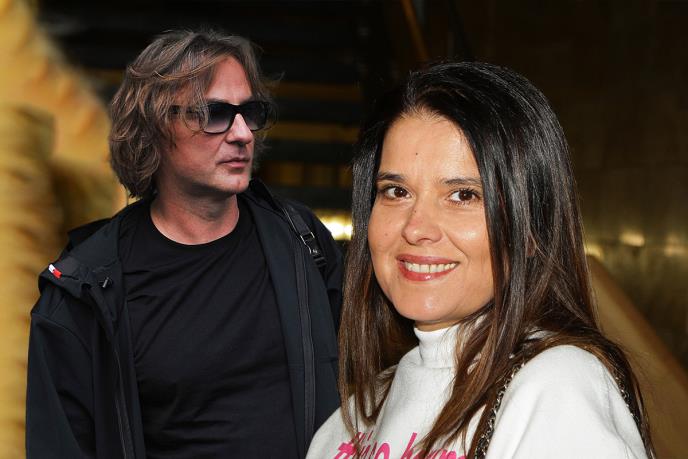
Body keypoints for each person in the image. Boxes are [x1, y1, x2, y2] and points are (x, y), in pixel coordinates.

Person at [306, 62, 654, 459]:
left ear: (531, 229)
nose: (416, 228)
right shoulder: (357, 414)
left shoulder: (557, 388)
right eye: (396, 191)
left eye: (463, 196)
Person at [26, 30, 342, 459]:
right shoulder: (84, 291)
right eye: (214, 113)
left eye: (249, 112)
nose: (242, 133)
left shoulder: (301, 239)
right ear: (154, 127)